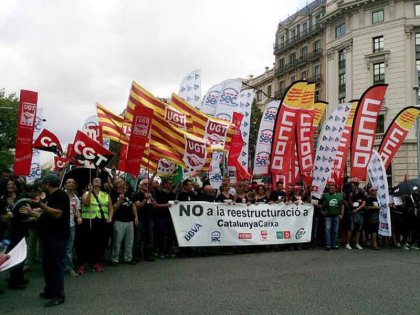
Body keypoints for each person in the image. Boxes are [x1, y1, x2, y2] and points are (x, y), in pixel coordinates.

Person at [20, 174, 70, 307]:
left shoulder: (60, 195)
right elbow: (45, 215)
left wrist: (41, 205)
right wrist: (31, 212)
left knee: (55, 266)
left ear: (48, 184)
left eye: (43, 184)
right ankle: (50, 290)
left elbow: (58, 213)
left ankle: (59, 295)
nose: (42, 186)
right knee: (47, 265)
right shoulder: (51, 197)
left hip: (57, 237)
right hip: (49, 236)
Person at [77, 177, 113, 274]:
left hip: (101, 221)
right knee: (85, 243)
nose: (97, 181)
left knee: (99, 243)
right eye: (94, 180)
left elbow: (110, 208)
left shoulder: (106, 195)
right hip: (88, 220)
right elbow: (86, 203)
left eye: (99, 180)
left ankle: (96, 263)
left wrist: (110, 217)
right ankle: (81, 264)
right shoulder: (86, 193)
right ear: (92, 183)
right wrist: (89, 191)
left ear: (101, 184)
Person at [110, 178, 137, 265]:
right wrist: (120, 200)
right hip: (119, 220)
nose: (124, 183)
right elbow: (113, 208)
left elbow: (132, 205)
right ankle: (115, 258)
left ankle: (128, 258)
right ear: (117, 185)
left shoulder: (128, 193)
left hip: (129, 220)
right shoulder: (113, 194)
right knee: (117, 241)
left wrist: (136, 217)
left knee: (129, 241)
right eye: (121, 182)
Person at [153, 179, 176, 258]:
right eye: (169, 183)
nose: (170, 185)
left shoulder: (173, 194)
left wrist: (176, 203)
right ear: (164, 184)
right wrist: (165, 205)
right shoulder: (159, 193)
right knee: (161, 235)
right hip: (161, 217)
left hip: (171, 217)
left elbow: (173, 204)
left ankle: (168, 251)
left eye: (171, 183)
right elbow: (155, 205)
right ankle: (161, 251)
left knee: (171, 234)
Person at [63, 178, 81, 276]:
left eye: (73, 182)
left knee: (69, 248)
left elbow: (77, 211)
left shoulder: (76, 198)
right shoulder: (61, 195)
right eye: (69, 182)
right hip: (60, 226)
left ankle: (69, 268)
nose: (71, 184)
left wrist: (79, 217)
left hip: (71, 225)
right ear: (65, 185)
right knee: (60, 247)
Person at [321, 183, 344, 250]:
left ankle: (333, 244)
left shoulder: (340, 195)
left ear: (336, 189)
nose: (331, 189)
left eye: (332, 188)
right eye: (330, 188)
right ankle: (328, 245)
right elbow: (321, 203)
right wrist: (322, 212)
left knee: (335, 231)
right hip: (328, 216)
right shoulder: (326, 195)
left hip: (336, 216)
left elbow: (342, 205)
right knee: (327, 230)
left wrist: (342, 214)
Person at [345, 182, 365, 250]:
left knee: (358, 229)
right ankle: (347, 243)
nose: (352, 187)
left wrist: (357, 209)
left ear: (356, 186)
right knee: (351, 228)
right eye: (351, 186)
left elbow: (364, 203)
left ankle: (357, 243)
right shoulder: (350, 194)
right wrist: (350, 197)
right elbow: (350, 204)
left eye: (353, 186)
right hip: (352, 213)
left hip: (360, 213)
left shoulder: (361, 194)